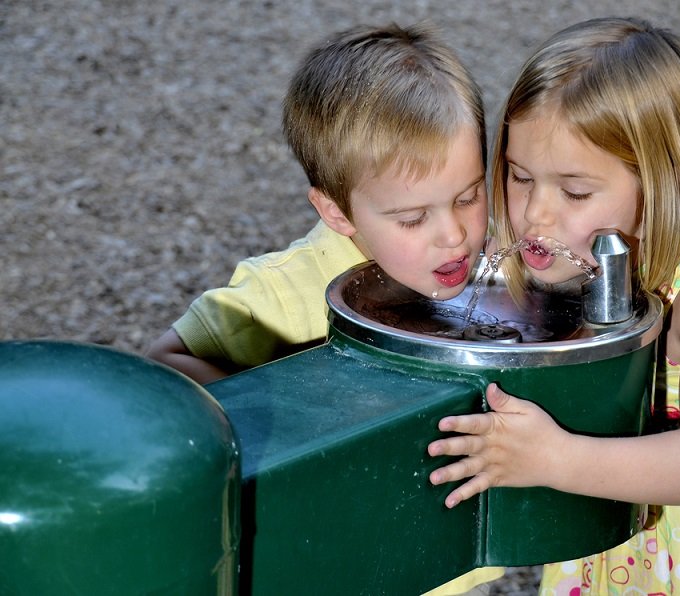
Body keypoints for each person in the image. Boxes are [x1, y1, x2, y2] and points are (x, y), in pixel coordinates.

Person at [427, 16, 680, 593]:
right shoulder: (586, 260)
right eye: (520, 177)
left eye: (575, 191)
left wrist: (555, 459)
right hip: (626, 534)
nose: (535, 215)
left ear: (660, 184)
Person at [146, 21, 503, 595]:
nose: (454, 234)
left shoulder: (490, 270)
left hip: (452, 564)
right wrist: (297, 407)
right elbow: (162, 365)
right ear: (337, 211)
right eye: (412, 218)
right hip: (339, 563)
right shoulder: (285, 292)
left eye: (469, 195)